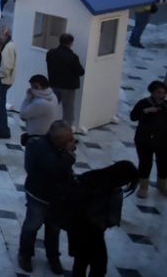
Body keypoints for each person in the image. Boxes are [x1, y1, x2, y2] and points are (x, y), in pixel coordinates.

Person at [17, 120, 76, 274]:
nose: (72, 141)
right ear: (58, 140)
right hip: (39, 196)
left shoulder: (56, 147)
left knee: (54, 229)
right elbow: (56, 168)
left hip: (55, 198)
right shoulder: (42, 149)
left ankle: (53, 257)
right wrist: (69, 154)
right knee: (32, 226)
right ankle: (25, 254)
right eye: (68, 139)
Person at [61, 161, 138, 277]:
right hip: (90, 231)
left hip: (78, 228)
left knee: (81, 263)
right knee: (99, 266)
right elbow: (106, 217)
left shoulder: (92, 177)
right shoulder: (107, 190)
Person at [129, 80, 167, 198]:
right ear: (152, 92)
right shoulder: (143, 103)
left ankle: (162, 185)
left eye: (163, 93)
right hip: (144, 139)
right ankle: (143, 186)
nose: (161, 95)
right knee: (145, 162)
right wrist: (146, 111)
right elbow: (133, 117)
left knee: (163, 162)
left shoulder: (165, 105)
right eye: (158, 92)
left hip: (163, 140)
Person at [46, 33, 85, 127]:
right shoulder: (73, 57)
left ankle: (47, 125)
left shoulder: (50, 53)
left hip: (54, 84)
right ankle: (66, 131)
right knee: (68, 111)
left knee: (51, 106)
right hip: (68, 87)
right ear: (70, 43)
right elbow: (80, 72)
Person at [20, 75, 62, 144]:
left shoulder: (40, 103)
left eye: (36, 87)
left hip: (36, 138)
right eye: (31, 87)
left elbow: (23, 115)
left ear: (44, 87)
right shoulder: (53, 96)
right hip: (47, 135)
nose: (32, 90)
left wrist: (28, 98)